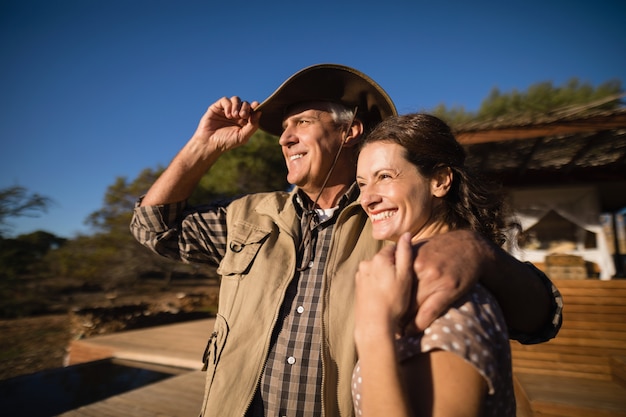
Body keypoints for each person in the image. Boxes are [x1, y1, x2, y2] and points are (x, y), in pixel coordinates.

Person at [129, 64, 562, 417]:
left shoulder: (395, 218)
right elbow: (152, 228)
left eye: (302, 121)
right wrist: (203, 146)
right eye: (283, 127)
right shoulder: (249, 216)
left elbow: (541, 319)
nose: (284, 137)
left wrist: (478, 251)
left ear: (349, 131)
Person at [352, 113, 519, 417]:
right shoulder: (412, 281)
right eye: (362, 184)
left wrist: (373, 327)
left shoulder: (449, 297)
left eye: (385, 177)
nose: (367, 198)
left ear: (440, 181)